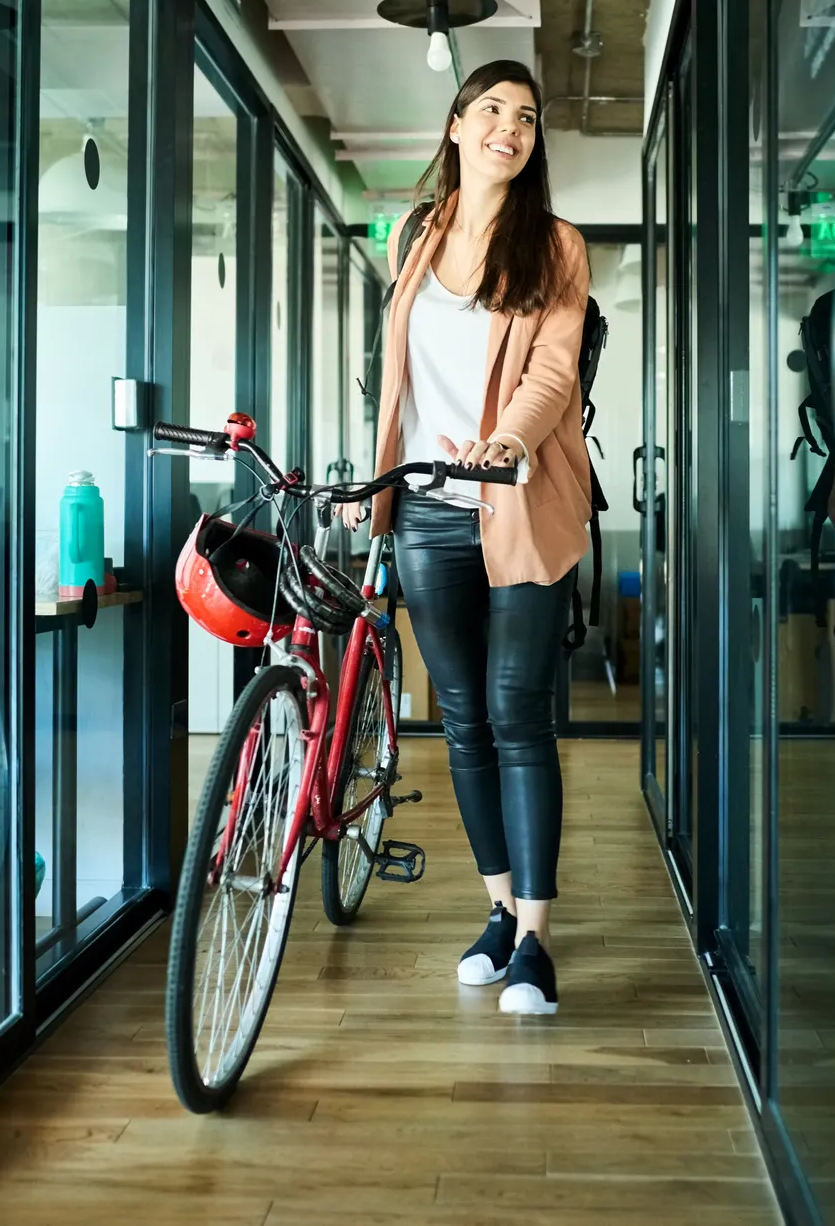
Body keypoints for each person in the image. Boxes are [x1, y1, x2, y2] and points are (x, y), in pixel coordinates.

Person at [340, 60, 591, 1016]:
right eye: (490, 109)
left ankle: (535, 939)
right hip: (425, 512)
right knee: (459, 715)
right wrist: (377, 479)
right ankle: (494, 910)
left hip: (515, 499)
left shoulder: (555, 245)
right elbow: (395, 373)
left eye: (525, 117)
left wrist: (503, 443)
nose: (508, 128)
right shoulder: (416, 235)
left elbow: (553, 371)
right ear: (454, 125)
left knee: (517, 712)